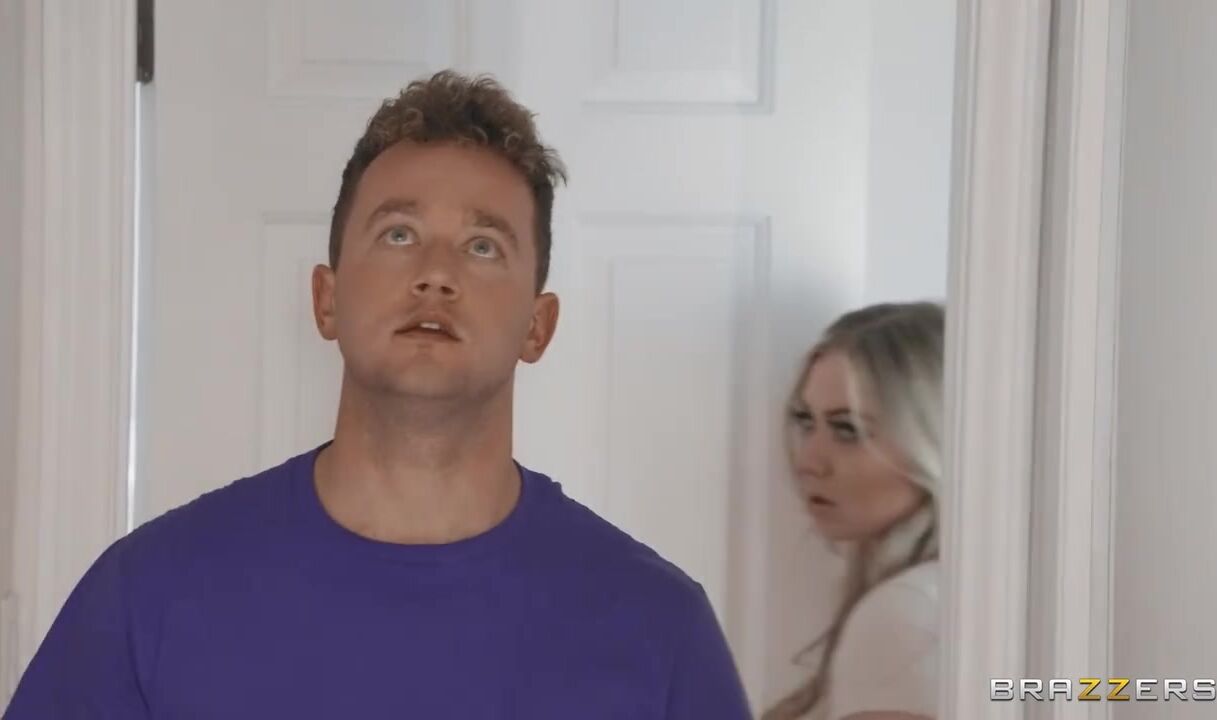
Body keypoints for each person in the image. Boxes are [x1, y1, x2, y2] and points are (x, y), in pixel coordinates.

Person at [4, 70, 751, 719]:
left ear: (538, 325)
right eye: (398, 234)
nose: (436, 273)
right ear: (326, 299)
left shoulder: (660, 632)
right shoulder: (147, 598)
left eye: (483, 245)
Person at [762, 302, 944, 720]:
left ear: (930, 439)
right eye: (805, 422)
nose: (809, 461)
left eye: (847, 430)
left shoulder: (906, 611)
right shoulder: (933, 597)